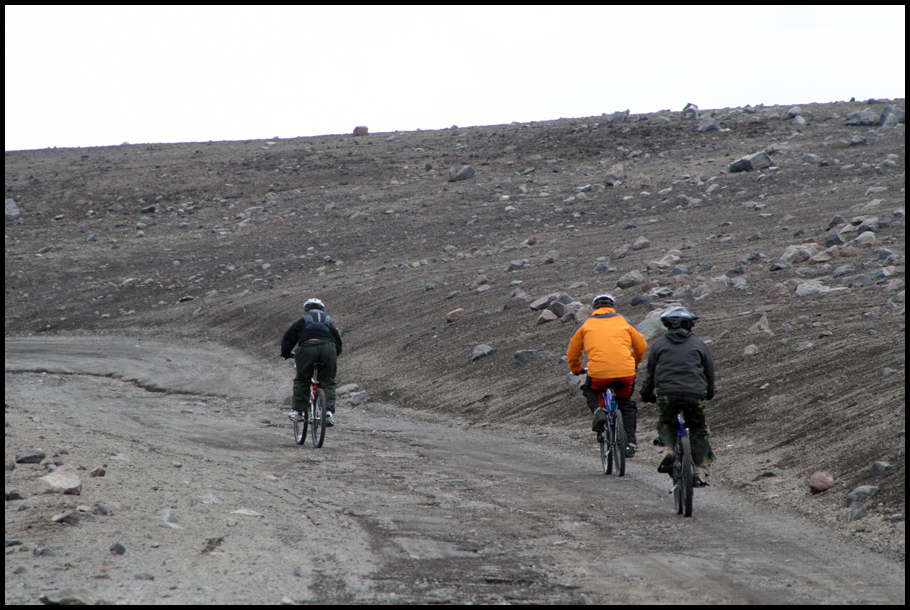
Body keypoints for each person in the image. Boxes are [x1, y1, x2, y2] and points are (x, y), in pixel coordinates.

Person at [640, 306, 716, 486]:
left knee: (667, 422)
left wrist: (647, 394)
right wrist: (709, 392)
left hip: (667, 394)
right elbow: (709, 371)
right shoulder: (699, 344)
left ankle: (667, 450)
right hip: (695, 394)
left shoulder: (658, 344)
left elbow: (650, 373)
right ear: (688, 325)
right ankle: (700, 471)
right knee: (698, 428)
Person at [567, 294, 647, 457]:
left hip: (599, 373)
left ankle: (599, 411)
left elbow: (573, 352)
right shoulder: (624, 321)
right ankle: (630, 443)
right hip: (625, 372)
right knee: (625, 403)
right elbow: (641, 346)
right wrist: (634, 363)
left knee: (590, 389)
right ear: (612, 306)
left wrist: (576, 370)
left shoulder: (585, 324)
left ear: (594, 308)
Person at [280, 298, 343, 426]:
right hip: (329, 348)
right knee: (328, 381)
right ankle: (328, 413)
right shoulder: (327, 322)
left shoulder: (302, 320)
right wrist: (331, 356)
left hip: (308, 348)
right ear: (322, 310)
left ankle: (299, 412)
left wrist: (286, 353)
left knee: (302, 379)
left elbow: (288, 338)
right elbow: (338, 343)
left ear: (306, 310)